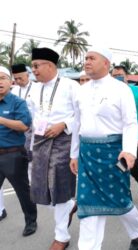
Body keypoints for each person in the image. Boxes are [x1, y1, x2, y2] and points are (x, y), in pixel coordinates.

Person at [70, 47, 138, 250]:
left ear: (106, 63)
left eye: (91, 58)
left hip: (113, 153)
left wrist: (129, 150)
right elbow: (77, 124)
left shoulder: (121, 89)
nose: (86, 61)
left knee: (120, 201)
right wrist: (74, 154)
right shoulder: (81, 91)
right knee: (88, 207)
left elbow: (130, 123)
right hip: (87, 155)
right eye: (85, 58)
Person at [29, 48, 78, 250]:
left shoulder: (71, 86)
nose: (34, 71)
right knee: (41, 188)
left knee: (57, 187)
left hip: (62, 142)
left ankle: (61, 237)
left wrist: (64, 125)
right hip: (40, 142)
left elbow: (82, 115)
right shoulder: (33, 88)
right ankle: (69, 206)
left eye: (36, 66)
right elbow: (33, 116)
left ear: (50, 65)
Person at [0, 65, 37, 236]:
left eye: (2, 78)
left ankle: (31, 221)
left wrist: (1, 120)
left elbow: (24, 125)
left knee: (22, 191)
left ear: (10, 81)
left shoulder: (17, 102)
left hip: (12, 154)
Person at [111, 65, 138, 201]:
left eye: (120, 75)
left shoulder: (137, 91)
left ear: (126, 77)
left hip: (137, 135)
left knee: (135, 165)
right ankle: (125, 192)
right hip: (117, 137)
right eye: (114, 75)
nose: (117, 77)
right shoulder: (110, 93)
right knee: (120, 165)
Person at [11, 63, 37, 182]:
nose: (18, 81)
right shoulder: (13, 91)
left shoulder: (37, 88)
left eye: (20, 78)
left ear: (27, 75)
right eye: (15, 79)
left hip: (33, 130)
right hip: (17, 131)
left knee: (32, 161)